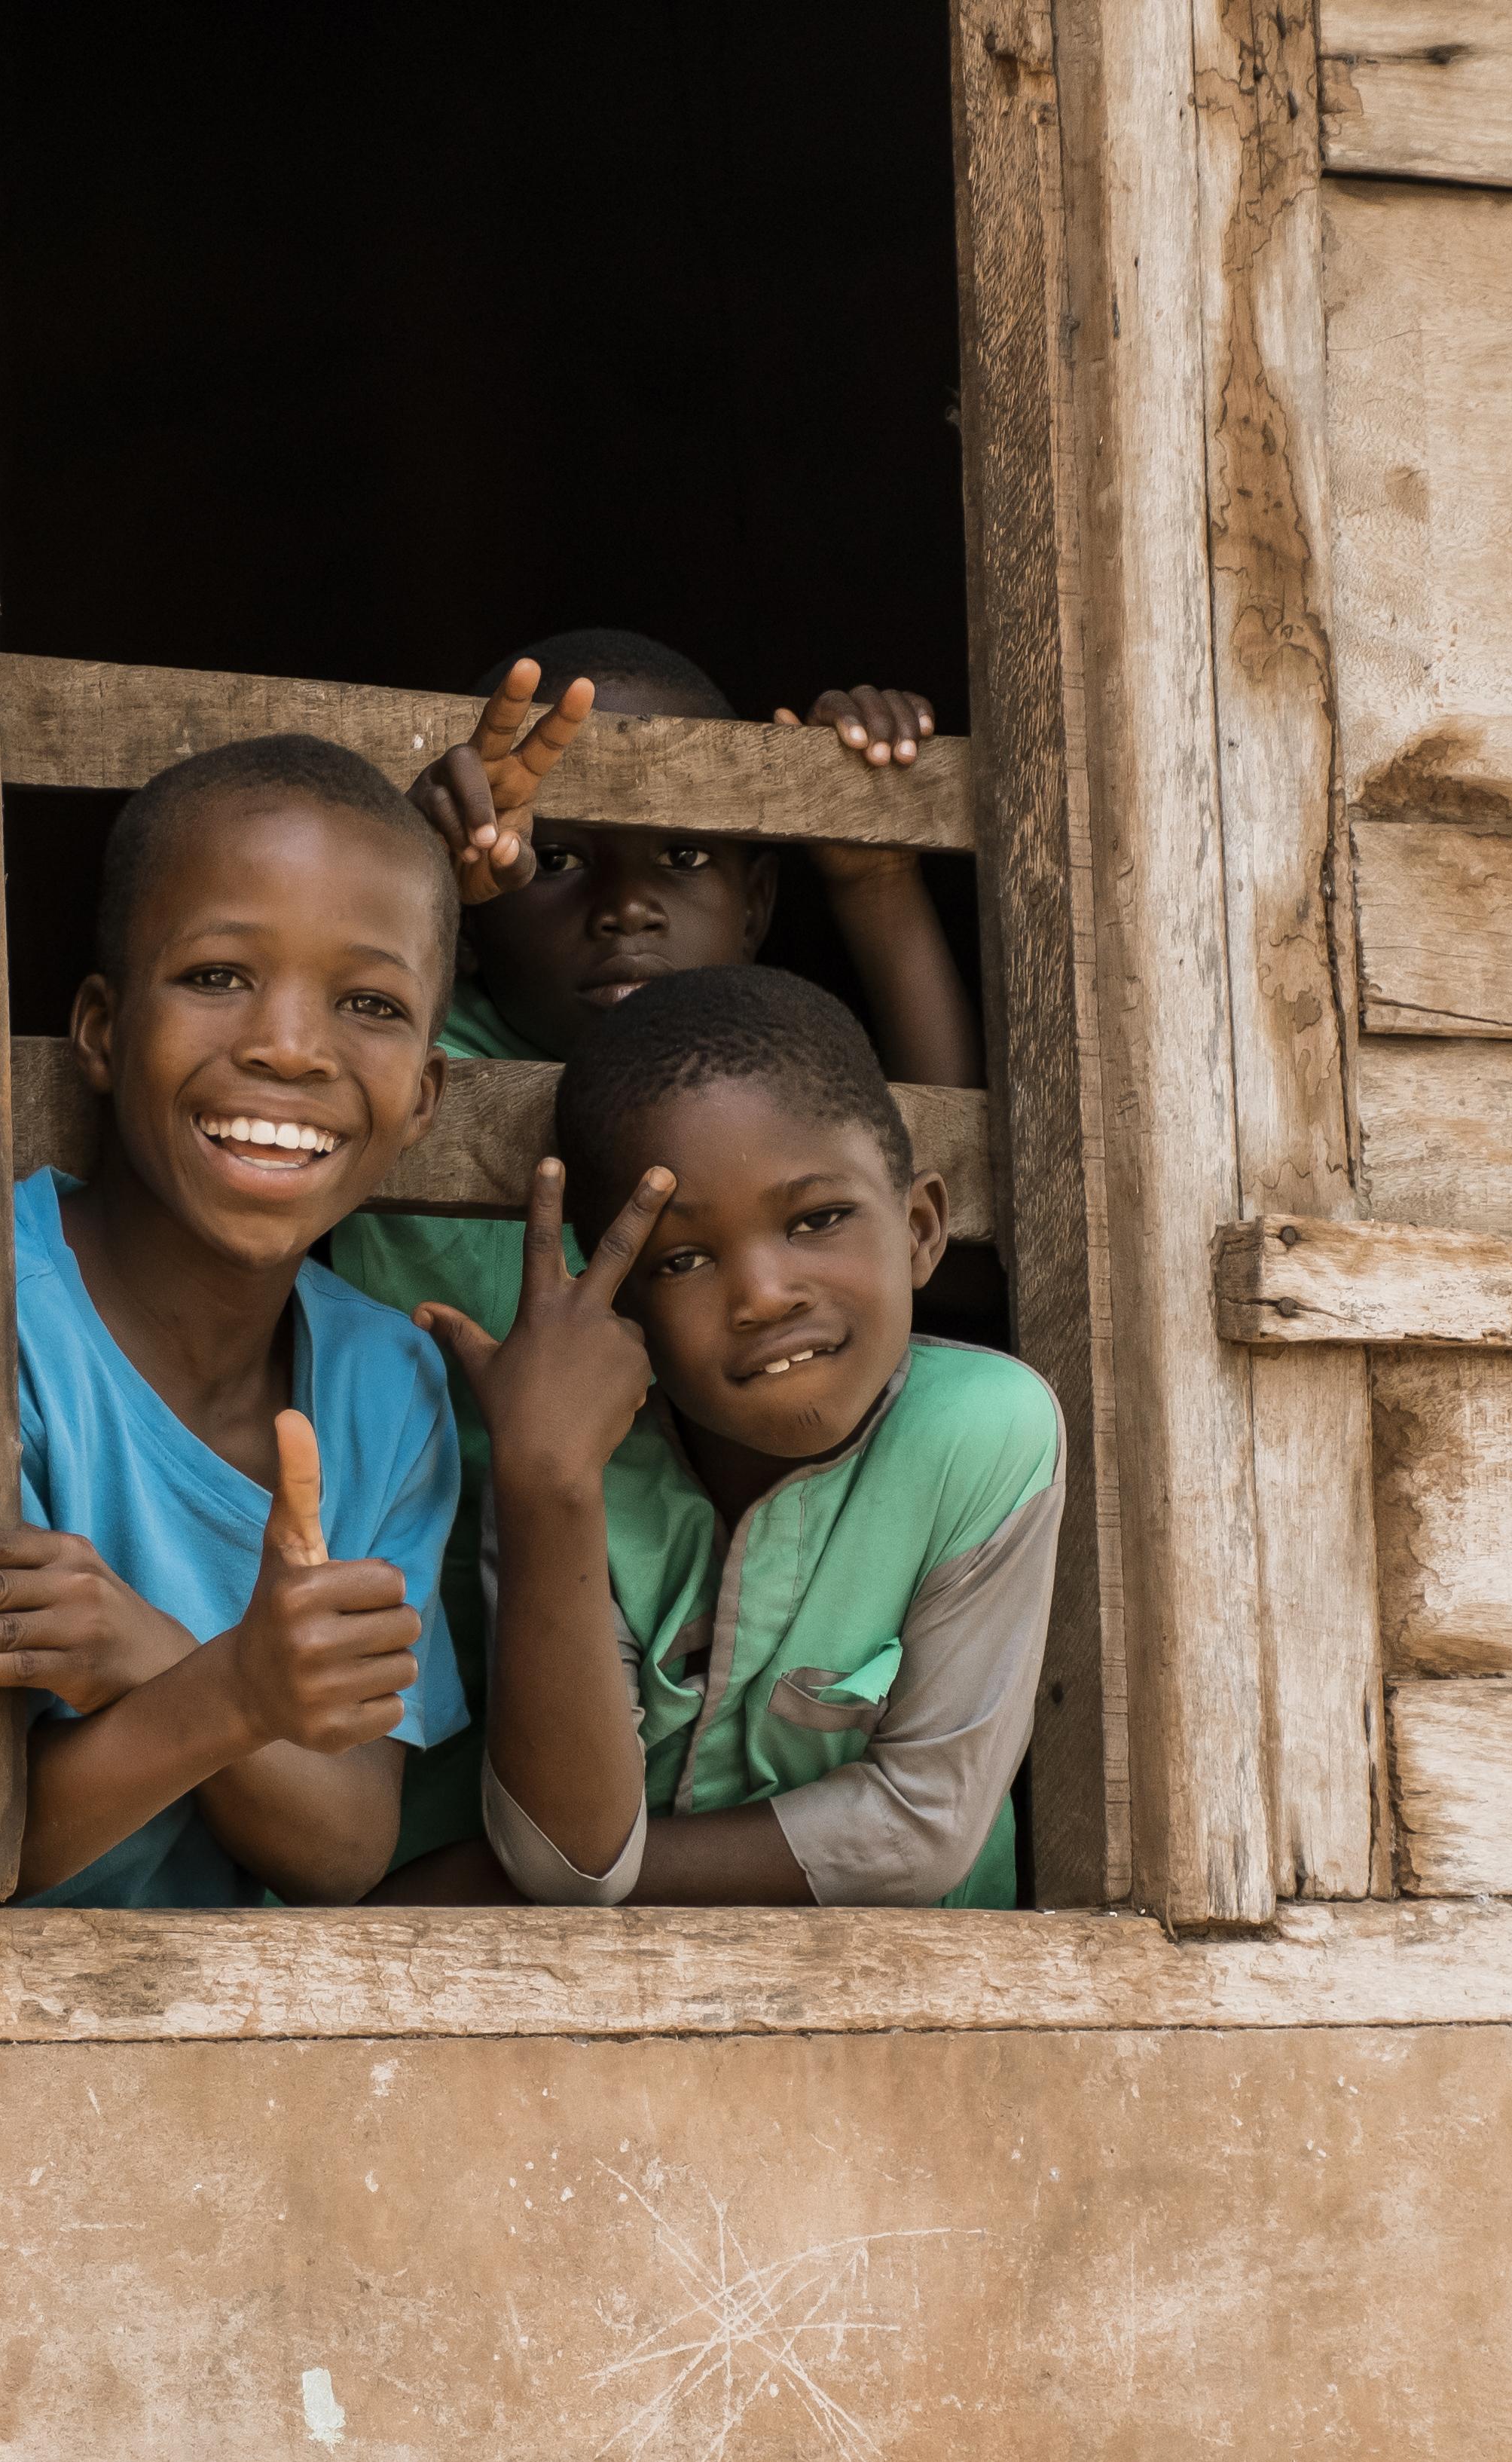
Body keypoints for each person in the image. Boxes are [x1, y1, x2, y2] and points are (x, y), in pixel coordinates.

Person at [331, 627, 976, 1879]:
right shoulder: (412, 1061)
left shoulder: (766, 1087)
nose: (626, 905)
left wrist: (878, 881)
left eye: (683, 855)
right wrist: (416, 879)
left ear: (758, 900)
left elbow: (963, 1247)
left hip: (711, 1768)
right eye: (556, 860)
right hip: (433, 1750)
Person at [0, 734, 470, 1905]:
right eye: (219, 976)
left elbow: (348, 1842)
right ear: (102, 1031)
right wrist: (239, 1698)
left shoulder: (386, 1387)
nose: (290, 1046)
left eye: (367, 1002)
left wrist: (152, 1655)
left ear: (425, 1094)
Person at [412, 966, 1058, 1907]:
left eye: (817, 1218)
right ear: (619, 1302)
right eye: (682, 1259)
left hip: (921, 2011)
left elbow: (921, 1831)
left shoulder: (984, 1429)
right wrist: (547, 1474)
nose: (763, 1293)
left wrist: (515, 1881)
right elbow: (567, 1854)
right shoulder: (564, 1457)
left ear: (920, 1229)